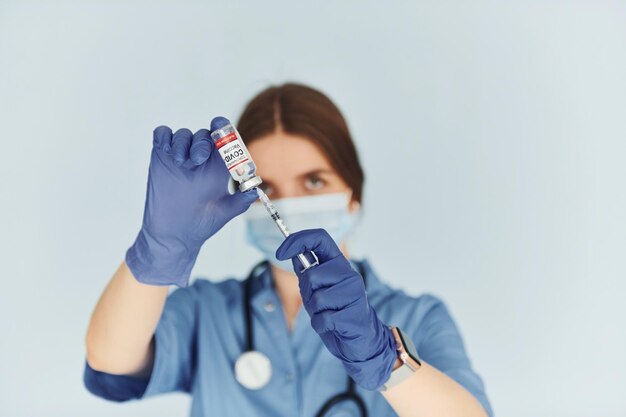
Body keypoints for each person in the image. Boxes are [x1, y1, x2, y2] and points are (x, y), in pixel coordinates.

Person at [83, 83, 493, 417]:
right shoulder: (207, 313)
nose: (287, 204)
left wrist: (384, 361)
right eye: (266, 188)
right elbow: (109, 360)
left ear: (354, 193)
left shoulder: (417, 317)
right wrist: (160, 249)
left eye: (314, 182)